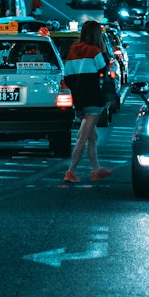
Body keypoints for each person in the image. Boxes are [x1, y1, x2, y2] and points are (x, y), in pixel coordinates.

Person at [61, 19, 114, 185]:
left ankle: (97, 170)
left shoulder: (72, 50)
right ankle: (71, 171)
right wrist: (104, 51)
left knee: (92, 136)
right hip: (93, 97)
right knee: (83, 136)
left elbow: (67, 75)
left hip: (79, 98)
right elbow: (104, 68)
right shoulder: (94, 50)